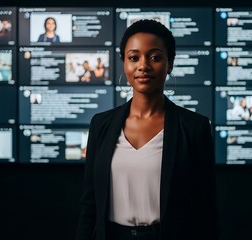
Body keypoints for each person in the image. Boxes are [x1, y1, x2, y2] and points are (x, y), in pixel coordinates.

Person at [76, 19, 218, 240]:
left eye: (155, 57)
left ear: (169, 64)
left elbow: (205, 209)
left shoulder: (194, 127)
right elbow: (89, 205)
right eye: (134, 57)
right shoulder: (101, 125)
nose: (143, 65)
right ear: (124, 63)